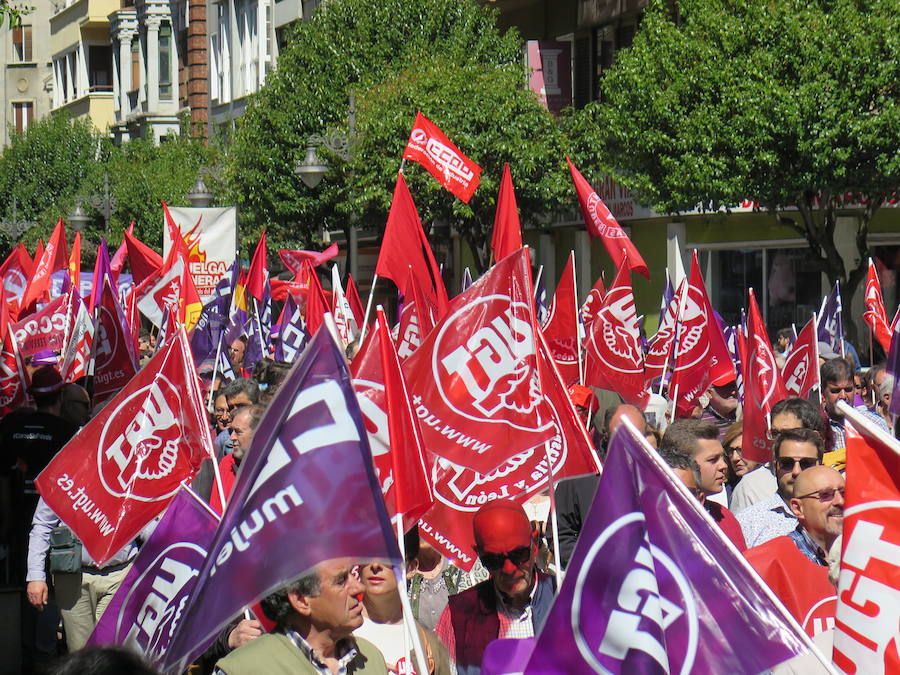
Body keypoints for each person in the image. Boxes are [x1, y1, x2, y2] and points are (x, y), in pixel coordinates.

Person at [434, 500, 555, 675]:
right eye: (494, 560)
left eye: (518, 554)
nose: (509, 569)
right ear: (479, 555)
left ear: (534, 544)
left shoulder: (568, 599)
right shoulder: (459, 616)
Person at [214, 558, 387, 675]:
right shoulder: (244, 669)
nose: (359, 588)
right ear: (301, 600)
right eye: (341, 581)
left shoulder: (371, 659)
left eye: (353, 574)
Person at [26, 499, 155, 652]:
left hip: (120, 574)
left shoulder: (134, 478)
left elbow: (145, 524)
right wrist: (35, 576)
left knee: (111, 653)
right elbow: (43, 525)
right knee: (81, 652)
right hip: (72, 574)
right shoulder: (63, 476)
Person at [744, 467, 844, 636]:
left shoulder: (871, 555)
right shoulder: (766, 564)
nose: (840, 501)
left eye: (844, 493)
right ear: (798, 508)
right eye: (825, 495)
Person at [554, 404, 646, 568]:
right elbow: (560, 536)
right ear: (605, 436)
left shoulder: (657, 476)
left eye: (638, 438)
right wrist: (594, 566)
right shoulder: (579, 475)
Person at [659, 419, 746, 550]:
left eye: (722, 457)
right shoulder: (651, 525)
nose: (724, 466)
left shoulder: (725, 518)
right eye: (712, 460)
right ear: (683, 463)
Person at [729, 397, 826, 512]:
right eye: (774, 433)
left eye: (788, 434)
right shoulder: (750, 487)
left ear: (814, 436)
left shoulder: (834, 481)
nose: (778, 440)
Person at [355, 560, 451, 675]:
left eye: (388, 556)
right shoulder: (336, 637)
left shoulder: (429, 646)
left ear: (411, 567)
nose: (375, 565)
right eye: (369, 554)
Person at [736, 428, 823, 547]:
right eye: (787, 463)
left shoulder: (837, 516)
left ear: (821, 465)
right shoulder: (748, 522)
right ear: (775, 466)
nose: (796, 471)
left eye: (806, 463)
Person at [820, 357, 888, 470]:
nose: (842, 396)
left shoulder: (875, 424)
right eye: (835, 391)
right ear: (823, 391)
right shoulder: (815, 428)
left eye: (848, 389)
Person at [209, 405, 265, 514]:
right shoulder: (227, 463)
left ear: (258, 432)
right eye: (232, 431)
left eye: (238, 432)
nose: (232, 437)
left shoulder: (271, 465)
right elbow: (215, 515)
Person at [700, 374, 738, 439]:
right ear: (708, 392)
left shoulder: (747, 416)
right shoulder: (700, 424)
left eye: (735, 386)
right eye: (725, 387)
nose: (733, 392)